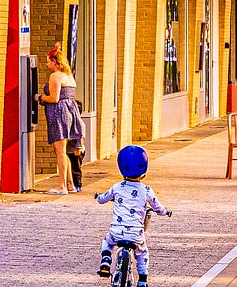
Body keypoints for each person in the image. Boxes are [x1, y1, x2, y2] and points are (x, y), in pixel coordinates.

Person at [95, 145, 169, 287]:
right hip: (136, 233)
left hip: (116, 231)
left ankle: (105, 260)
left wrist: (97, 197)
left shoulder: (116, 187)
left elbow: (102, 199)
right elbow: (157, 207)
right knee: (142, 253)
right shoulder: (146, 190)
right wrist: (164, 212)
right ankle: (142, 280)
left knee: (107, 242)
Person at [39, 43, 85, 194]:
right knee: (64, 151)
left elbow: (54, 98)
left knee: (59, 151)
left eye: (48, 61)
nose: (47, 64)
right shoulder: (69, 76)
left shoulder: (55, 76)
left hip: (59, 114)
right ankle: (70, 184)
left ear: (54, 61)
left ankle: (61, 186)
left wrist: (39, 97)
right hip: (71, 113)